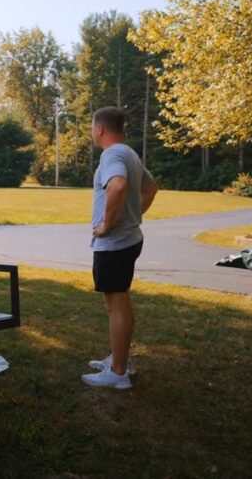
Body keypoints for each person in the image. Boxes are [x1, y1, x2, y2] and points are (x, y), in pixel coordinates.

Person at [82, 106, 158, 390]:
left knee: (117, 305)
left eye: (92, 128)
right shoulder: (129, 153)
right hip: (127, 239)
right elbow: (152, 188)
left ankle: (118, 372)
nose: (92, 133)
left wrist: (107, 224)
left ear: (100, 128)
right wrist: (133, 215)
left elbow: (117, 186)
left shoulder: (112, 154)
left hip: (114, 243)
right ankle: (120, 359)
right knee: (117, 301)